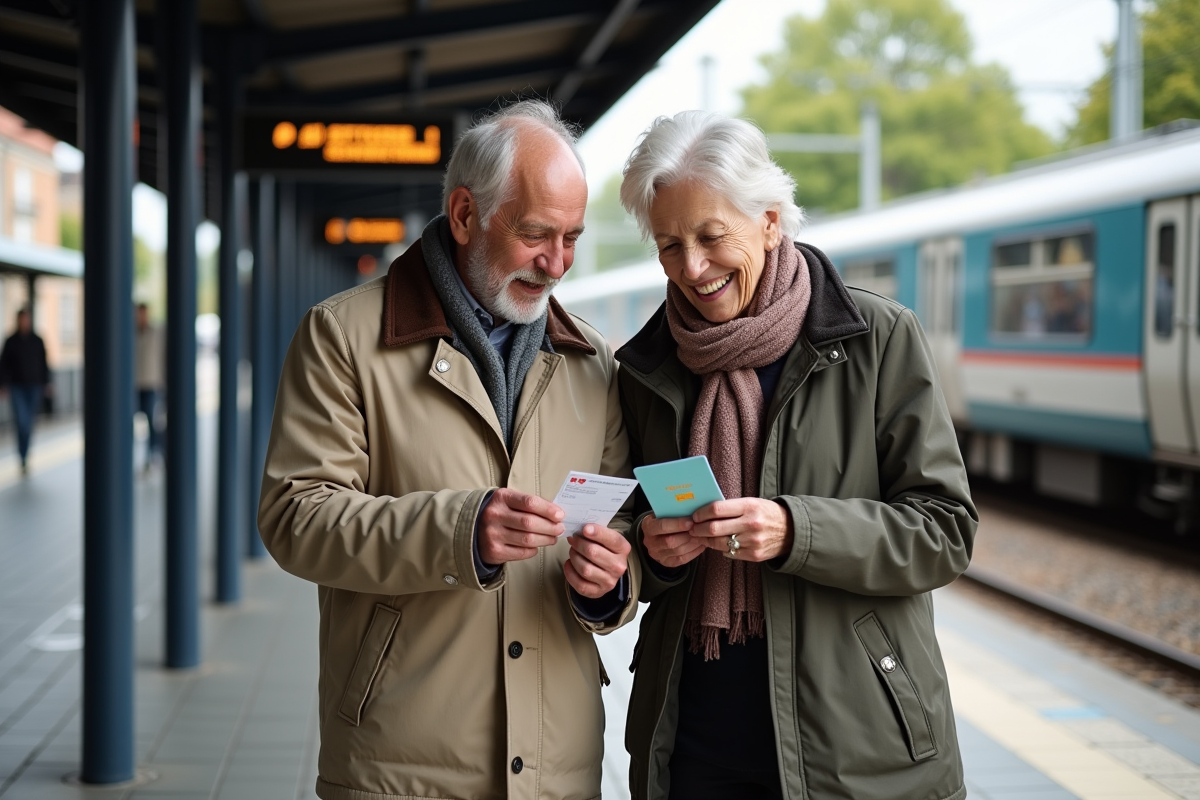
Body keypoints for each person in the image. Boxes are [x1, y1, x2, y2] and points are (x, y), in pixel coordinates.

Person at [258, 99, 639, 800]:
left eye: (573, 237)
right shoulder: (340, 337)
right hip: (400, 768)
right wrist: (460, 529)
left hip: (560, 768)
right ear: (466, 215)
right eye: (535, 234)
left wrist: (612, 581)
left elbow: (616, 528)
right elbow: (294, 517)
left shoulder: (594, 362)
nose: (557, 263)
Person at [615, 111, 978, 800]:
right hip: (693, 745)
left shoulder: (877, 338)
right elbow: (625, 537)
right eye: (668, 245)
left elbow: (944, 532)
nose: (691, 268)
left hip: (855, 747)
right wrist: (647, 552)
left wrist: (795, 531)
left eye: (711, 236)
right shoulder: (645, 369)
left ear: (772, 222)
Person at [0, 307, 51, 476]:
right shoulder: (11, 341)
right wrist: (3, 385)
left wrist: (47, 383)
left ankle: (25, 455)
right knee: (21, 422)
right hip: (17, 387)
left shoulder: (37, 340)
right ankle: (22, 455)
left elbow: (44, 363)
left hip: (34, 386)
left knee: (28, 423)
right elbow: (4, 365)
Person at [134, 302, 166, 467]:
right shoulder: (131, 333)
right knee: (129, 422)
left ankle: (152, 455)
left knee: (152, 422)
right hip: (134, 385)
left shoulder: (156, 333)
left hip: (151, 383)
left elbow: (163, 356)